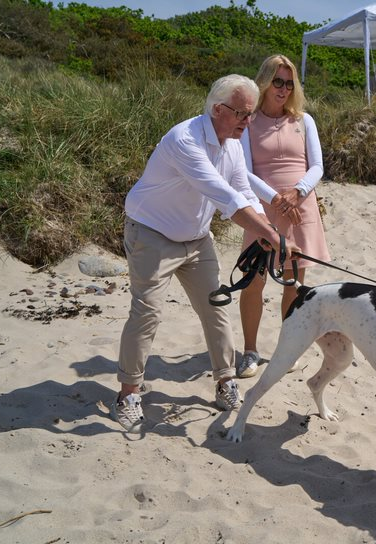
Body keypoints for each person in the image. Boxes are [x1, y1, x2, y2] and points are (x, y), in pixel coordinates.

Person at [113, 74, 300, 433]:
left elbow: (243, 191)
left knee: (215, 308)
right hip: (152, 234)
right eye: (243, 114)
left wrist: (264, 232)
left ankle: (225, 380)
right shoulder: (185, 140)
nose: (248, 122)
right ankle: (128, 393)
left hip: (197, 239)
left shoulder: (231, 143)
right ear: (218, 109)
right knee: (147, 314)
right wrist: (274, 237)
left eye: (251, 114)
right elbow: (223, 196)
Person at [236, 54, 331, 379]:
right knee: (254, 283)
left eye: (289, 83)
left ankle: (286, 349)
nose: (283, 89)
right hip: (263, 210)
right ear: (264, 82)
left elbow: (317, 166)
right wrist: (274, 197)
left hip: (299, 207)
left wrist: (297, 192)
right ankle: (250, 351)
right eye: (277, 81)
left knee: (294, 283)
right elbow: (244, 171)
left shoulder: (304, 121)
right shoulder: (248, 122)